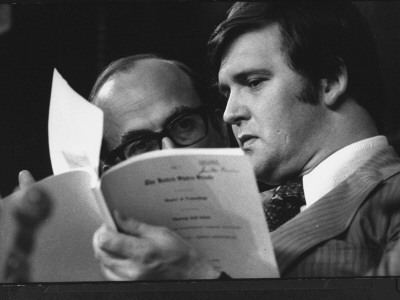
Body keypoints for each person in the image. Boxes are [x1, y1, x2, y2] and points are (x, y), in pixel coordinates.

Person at [93, 2, 400, 279]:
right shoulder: (247, 211)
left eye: (253, 83)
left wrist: (196, 278)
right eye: (226, 93)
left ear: (330, 81)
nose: (229, 114)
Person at [90, 54, 230, 280]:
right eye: (141, 145)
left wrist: (196, 274)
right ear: (112, 177)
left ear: (222, 131)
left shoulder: (288, 221)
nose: (170, 152)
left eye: (184, 125)